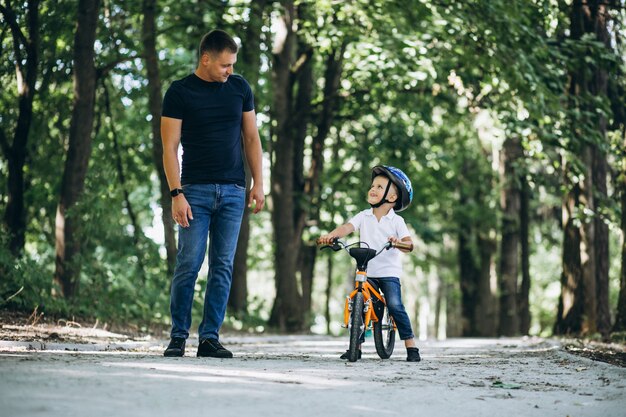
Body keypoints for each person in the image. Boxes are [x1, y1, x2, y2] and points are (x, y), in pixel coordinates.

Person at [161, 29, 264, 358]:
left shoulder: (240, 88)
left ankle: (209, 338)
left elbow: (251, 138)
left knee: (222, 266)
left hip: (234, 192)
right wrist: (176, 193)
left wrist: (258, 182)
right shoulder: (179, 92)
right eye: (224, 65)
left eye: (233, 64)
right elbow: (169, 146)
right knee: (189, 264)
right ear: (205, 59)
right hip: (194, 193)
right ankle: (178, 336)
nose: (230, 71)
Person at [318, 165, 421, 362]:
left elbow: (409, 245)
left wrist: (397, 242)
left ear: (392, 198)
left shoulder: (396, 221)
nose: (373, 189)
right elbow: (347, 227)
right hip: (367, 271)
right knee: (359, 302)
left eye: (380, 187)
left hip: (388, 272)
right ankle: (355, 347)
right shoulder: (364, 216)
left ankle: (411, 346)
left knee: (395, 304)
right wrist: (331, 236)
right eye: (372, 185)